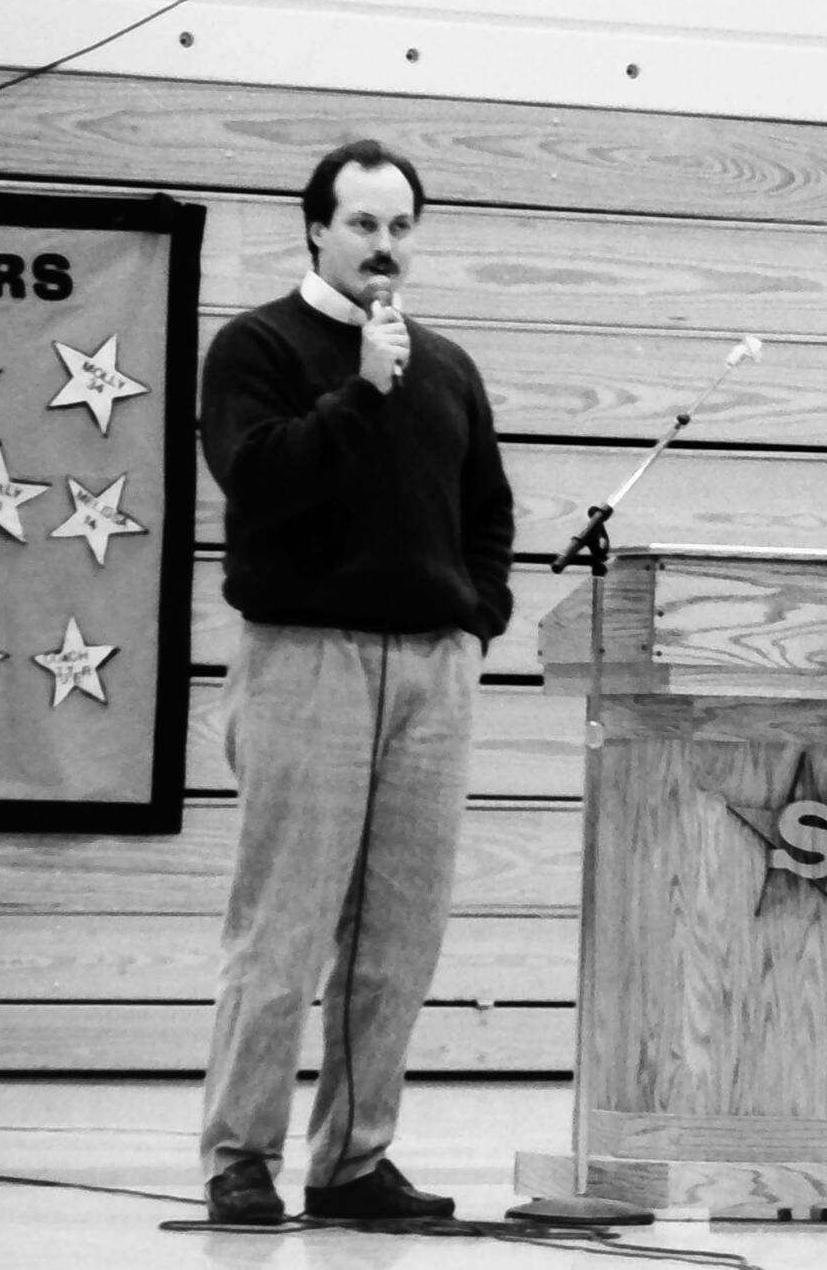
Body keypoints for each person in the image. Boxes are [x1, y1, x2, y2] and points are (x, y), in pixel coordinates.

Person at [196, 140, 515, 1225]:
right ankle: (241, 1154)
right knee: (283, 926)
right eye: (365, 225)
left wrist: (476, 620)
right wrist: (359, 394)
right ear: (317, 230)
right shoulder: (256, 347)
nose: (386, 249)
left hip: (430, 667)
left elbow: (486, 512)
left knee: (399, 935)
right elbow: (259, 477)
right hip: (306, 656)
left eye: (400, 227)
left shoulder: (448, 365)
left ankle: (352, 1158)